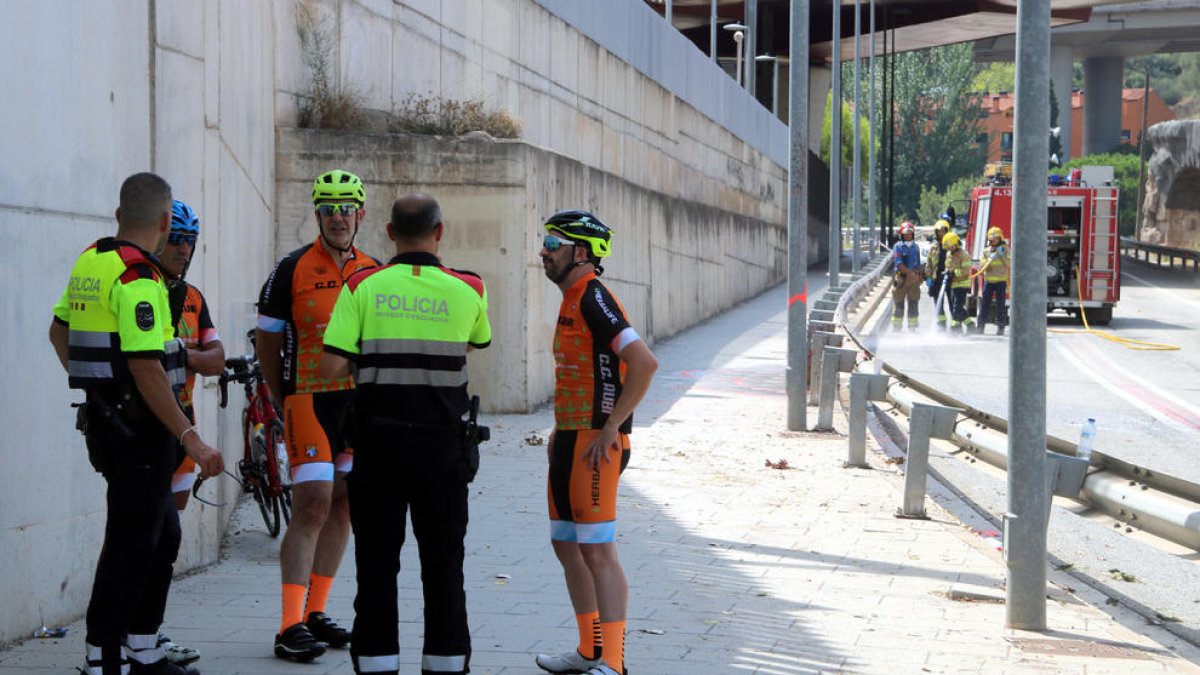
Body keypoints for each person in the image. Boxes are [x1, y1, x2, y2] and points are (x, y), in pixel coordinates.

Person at [48, 172, 223, 675]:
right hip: (139, 434)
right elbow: (146, 367)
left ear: (119, 215)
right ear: (167, 223)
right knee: (130, 544)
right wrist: (190, 436)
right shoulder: (137, 279)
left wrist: (98, 391)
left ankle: (142, 647)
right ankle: (102, 659)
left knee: (161, 535)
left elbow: (59, 332)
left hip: (113, 427)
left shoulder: (92, 260)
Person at [321, 193, 492, 675]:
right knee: (443, 567)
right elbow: (475, 342)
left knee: (376, 566)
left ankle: (377, 664)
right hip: (443, 449)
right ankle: (446, 664)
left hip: (377, 449)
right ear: (440, 233)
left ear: (390, 234)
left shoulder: (362, 285)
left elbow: (331, 364)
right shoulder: (471, 287)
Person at [257, 169, 379, 661]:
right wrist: (279, 395)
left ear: (361, 214)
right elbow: (267, 339)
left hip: (357, 404)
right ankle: (288, 624)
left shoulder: (375, 269)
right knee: (312, 504)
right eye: (329, 209)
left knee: (345, 505)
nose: (338, 217)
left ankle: (315, 611)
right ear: (317, 215)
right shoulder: (291, 269)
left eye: (347, 208)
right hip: (308, 397)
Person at [535, 210, 658, 675]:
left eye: (552, 242)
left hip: (596, 444)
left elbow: (643, 363)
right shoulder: (571, 297)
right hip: (569, 437)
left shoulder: (593, 298)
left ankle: (615, 662)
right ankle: (590, 650)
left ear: (580, 252)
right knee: (566, 544)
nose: (543, 251)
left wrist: (613, 428)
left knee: (598, 551)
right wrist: (561, 429)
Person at [155, 200, 226, 667]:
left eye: (190, 241)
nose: (184, 248)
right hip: (146, 433)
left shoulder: (193, 297)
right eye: (176, 239)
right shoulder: (143, 287)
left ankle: (148, 630)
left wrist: (179, 353)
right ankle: (126, 631)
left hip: (184, 433)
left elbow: (216, 358)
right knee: (143, 534)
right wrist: (186, 356)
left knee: (165, 538)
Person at [976, 227, 1010, 335]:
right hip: (989, 282)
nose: (993, 240)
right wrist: (988, 259)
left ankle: (1001, 327)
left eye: (995, 238)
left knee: (1001, 305)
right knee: (985, 304)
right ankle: (980, 326)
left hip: (1001, 281)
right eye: (992, 239)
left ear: (1000, 238)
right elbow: (981, 266)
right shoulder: (986, 251)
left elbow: (1009, 263)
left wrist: (1001, 256)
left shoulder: (1005, 249)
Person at [941, 232, 975, 334]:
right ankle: (970, 325)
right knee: (956, 307)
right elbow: (948, 266)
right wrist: (947, 272)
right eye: (947, 247)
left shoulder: (965, 255)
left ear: (956, 244)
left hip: (962, 284)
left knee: (956, 307)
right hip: (953, 284)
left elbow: (965, 272)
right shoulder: (948, 254)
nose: (949, 249)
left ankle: (955, 329)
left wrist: (953, 273)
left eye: (950, 246)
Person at [890, 221, 922, 330]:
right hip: (901, 279)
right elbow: (899, 264)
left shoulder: (916, 247)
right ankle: (897, 327)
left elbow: (918, 263)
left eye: (910, 234)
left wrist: (919, 276)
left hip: (914, 278)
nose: (908, 236)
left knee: (913, 302)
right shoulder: (898, 247)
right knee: (899, 303)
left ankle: (912, 327)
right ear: (902, 235)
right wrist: (909, 274)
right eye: (905, 234)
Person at [925, 219, 951, 329]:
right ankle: (941, 326)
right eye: (939, 231)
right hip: (937, 279)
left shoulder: (952, 245)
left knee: (953, 304)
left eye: (943, 231)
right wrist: (928, 278)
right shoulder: (933, 247)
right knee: (938, 304)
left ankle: (957, 326)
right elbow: (929, 264)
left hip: (951, 279)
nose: (941, 233)